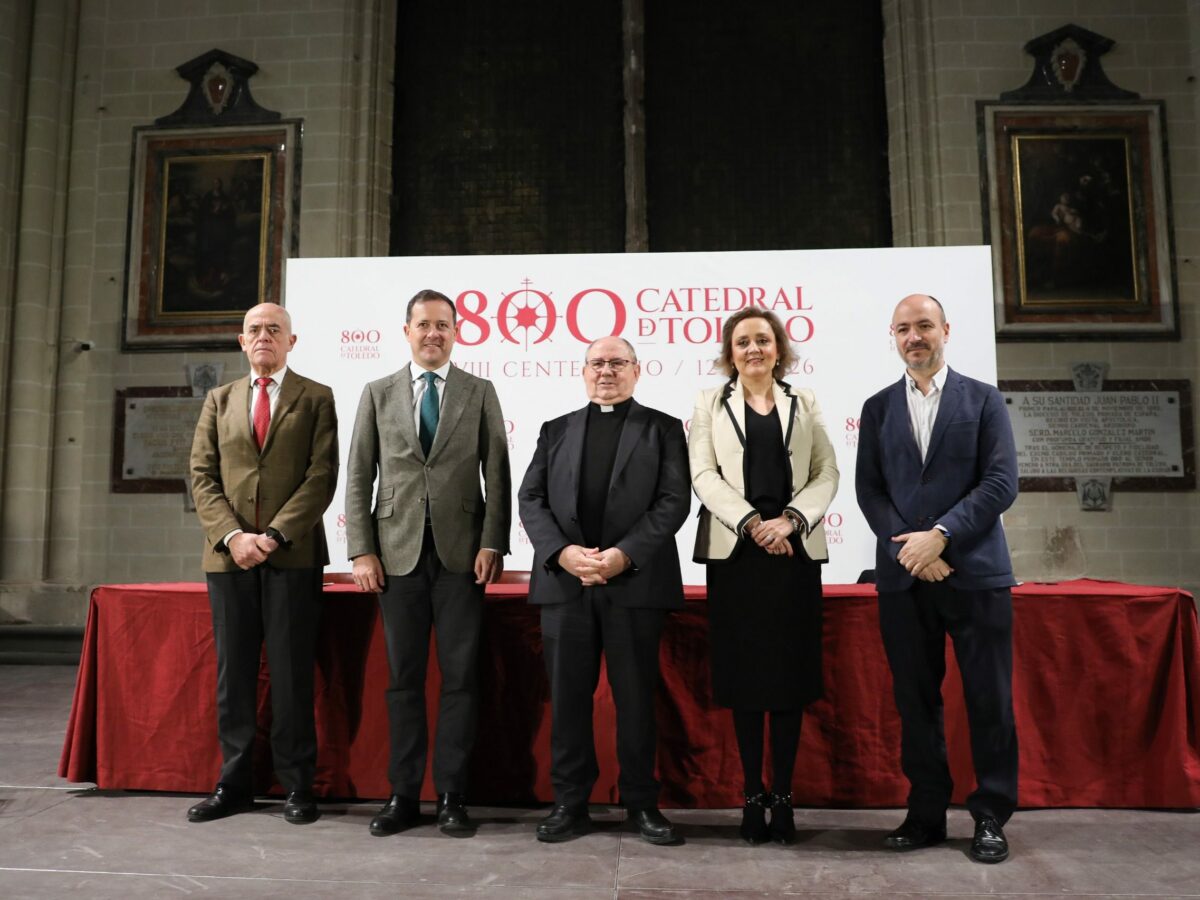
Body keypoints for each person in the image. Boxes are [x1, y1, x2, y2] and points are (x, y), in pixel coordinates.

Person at [855, 293, 1019, 864]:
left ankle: (991, 815)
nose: (914, 337)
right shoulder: (877, 408)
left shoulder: (983, 400)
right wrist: (913, 550)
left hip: (976, 575)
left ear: (945, 330)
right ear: (894, 336)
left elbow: (1001, 482)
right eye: (903, 328)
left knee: (989, 700)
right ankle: (925, 813)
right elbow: (870, 491)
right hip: (905, 578)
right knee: (916, 701)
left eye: (924, 325)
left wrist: (942, 536)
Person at [346, 288, 511, 837]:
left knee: (461, 679)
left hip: (463, 557)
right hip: (396, 556)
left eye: (443, 324)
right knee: (403, 680)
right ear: (407, 331)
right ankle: (402, 795)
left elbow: (498, 472)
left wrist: (493, 542)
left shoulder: (479, 391)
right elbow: (359, 473)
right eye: (424, 324)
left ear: (457, 332)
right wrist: (361, 549)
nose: (433, 333)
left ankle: (452, 796)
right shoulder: (377, 393)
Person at [517, 336, 690, 845]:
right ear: (583, 371)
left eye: (617, 362)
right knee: (568, 701)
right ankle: (570, 804)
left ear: (637, 370)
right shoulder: (555, 430)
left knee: (636, 701)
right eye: (597, 363)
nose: (606, 371)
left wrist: (623, 555)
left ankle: (642, 804)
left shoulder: (663, 429)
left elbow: (674, 500)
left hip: (634, 583)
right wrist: (562, 553)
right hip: (565, 585)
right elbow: (530, 498)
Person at [688, 307, 839, 845]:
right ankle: (753, 794)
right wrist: (753, 523)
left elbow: (826, 471)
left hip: (793, 555)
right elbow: (703, 473)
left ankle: (785, 796)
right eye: (743, 341)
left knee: (789, 682)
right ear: (730, 353)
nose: (753, 349)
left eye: (763, 339)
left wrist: (791, 521)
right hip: (737, 557)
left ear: (779, 349)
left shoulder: (805, 401)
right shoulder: (710, 403)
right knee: (747, 682)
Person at [187, 302, 339, 825]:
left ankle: (298, 786)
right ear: (241, 341)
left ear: (292, 341)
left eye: (275, 329)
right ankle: (234, 784)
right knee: (234, 678)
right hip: (229, 559)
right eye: (254, 329)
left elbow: (321, 475)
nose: (263, 337)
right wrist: (234, 537)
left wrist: (273, 536)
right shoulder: (219, 399)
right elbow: (202, 475)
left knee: (293, 675)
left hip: (292, 556)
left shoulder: (316, 397)